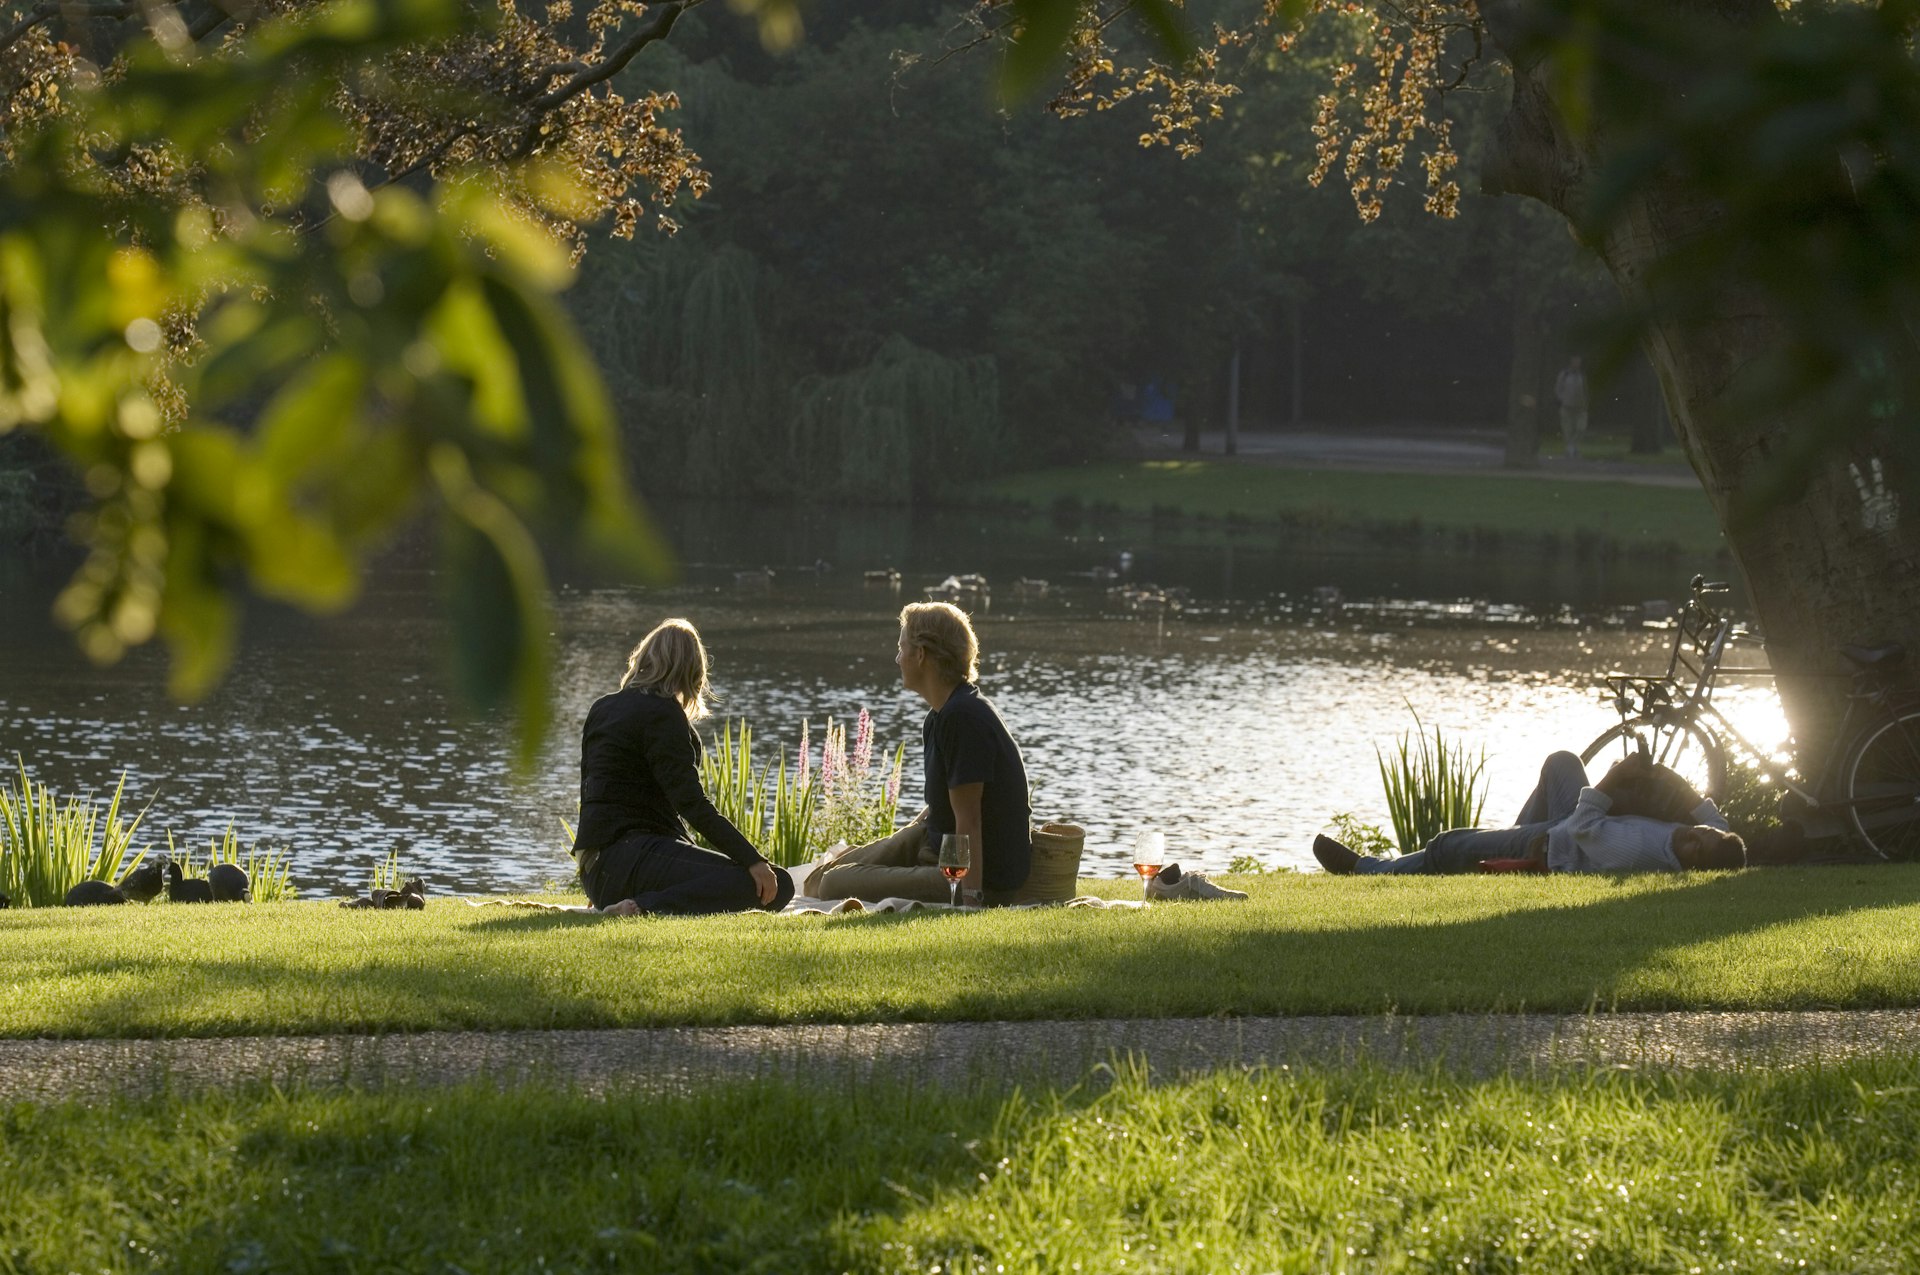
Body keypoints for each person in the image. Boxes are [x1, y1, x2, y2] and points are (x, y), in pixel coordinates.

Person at [811, 602, 1033, 905]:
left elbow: (970, 820)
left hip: (969, 872)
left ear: (921, 654)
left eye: (902, 648)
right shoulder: (940, 715)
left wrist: (970, 899)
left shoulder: (963, 717)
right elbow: (942, 804)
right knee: (818, 878)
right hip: (933, 841)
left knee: (832, 884)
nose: (897, 658)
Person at [572, 618, 794, 916]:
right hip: (629, 857)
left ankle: (627, 899)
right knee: (776, 883)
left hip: (596, 870)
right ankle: (642, 907)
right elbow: (691, 803)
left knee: (724, 872)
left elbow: (595, 795)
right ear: (692, 671)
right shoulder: (662, 714)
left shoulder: (602, 707)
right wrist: (753, 859)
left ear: (644, 658)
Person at [1312, 750, 1746, 875]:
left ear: (1695, 866)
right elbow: (1716, 822)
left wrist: (1615, 779)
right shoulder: (1708, 838)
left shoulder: (1639, 852)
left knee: (1449, 847)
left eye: (1694, 847)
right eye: (1699, 834)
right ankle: (1508, 845)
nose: (1690, 836)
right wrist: (1676, 783)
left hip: (1558, 843)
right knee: (1561, 764)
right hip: (1574, 829)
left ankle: (1371, 871)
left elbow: (1581, 826)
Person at [1555, 355, 1589, 459]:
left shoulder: (1582, 375)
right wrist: (1561, 399)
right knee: (1567, 429)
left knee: (1581, 428)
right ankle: (1571, 449)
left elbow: (1586, 390)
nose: (1577, 363)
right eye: (1575, 361)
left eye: (1578, 361)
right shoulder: (1564, 374)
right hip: (1567, 406)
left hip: (1580, 407)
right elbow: (1558, 388)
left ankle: (1572, 446)